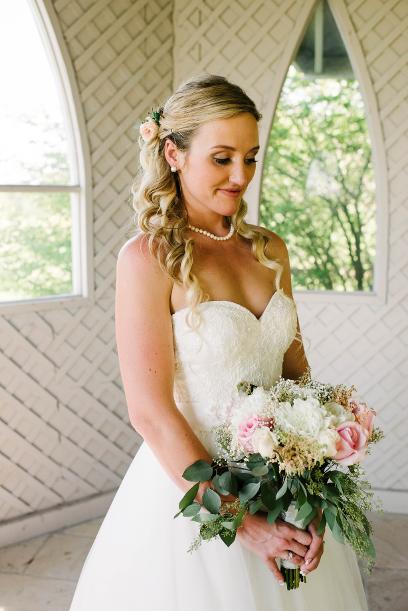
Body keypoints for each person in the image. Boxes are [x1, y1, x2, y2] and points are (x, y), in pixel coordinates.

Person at [69, 73, 369, 610]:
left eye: (250, 158)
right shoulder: (146, 259)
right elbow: (150, 412)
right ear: (174, 154)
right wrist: (240, 521)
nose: (240, 176)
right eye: (222, 158)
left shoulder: (271, 249)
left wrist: (313, 489)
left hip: (282, 486)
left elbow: (296, 375)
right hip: (196, 492)